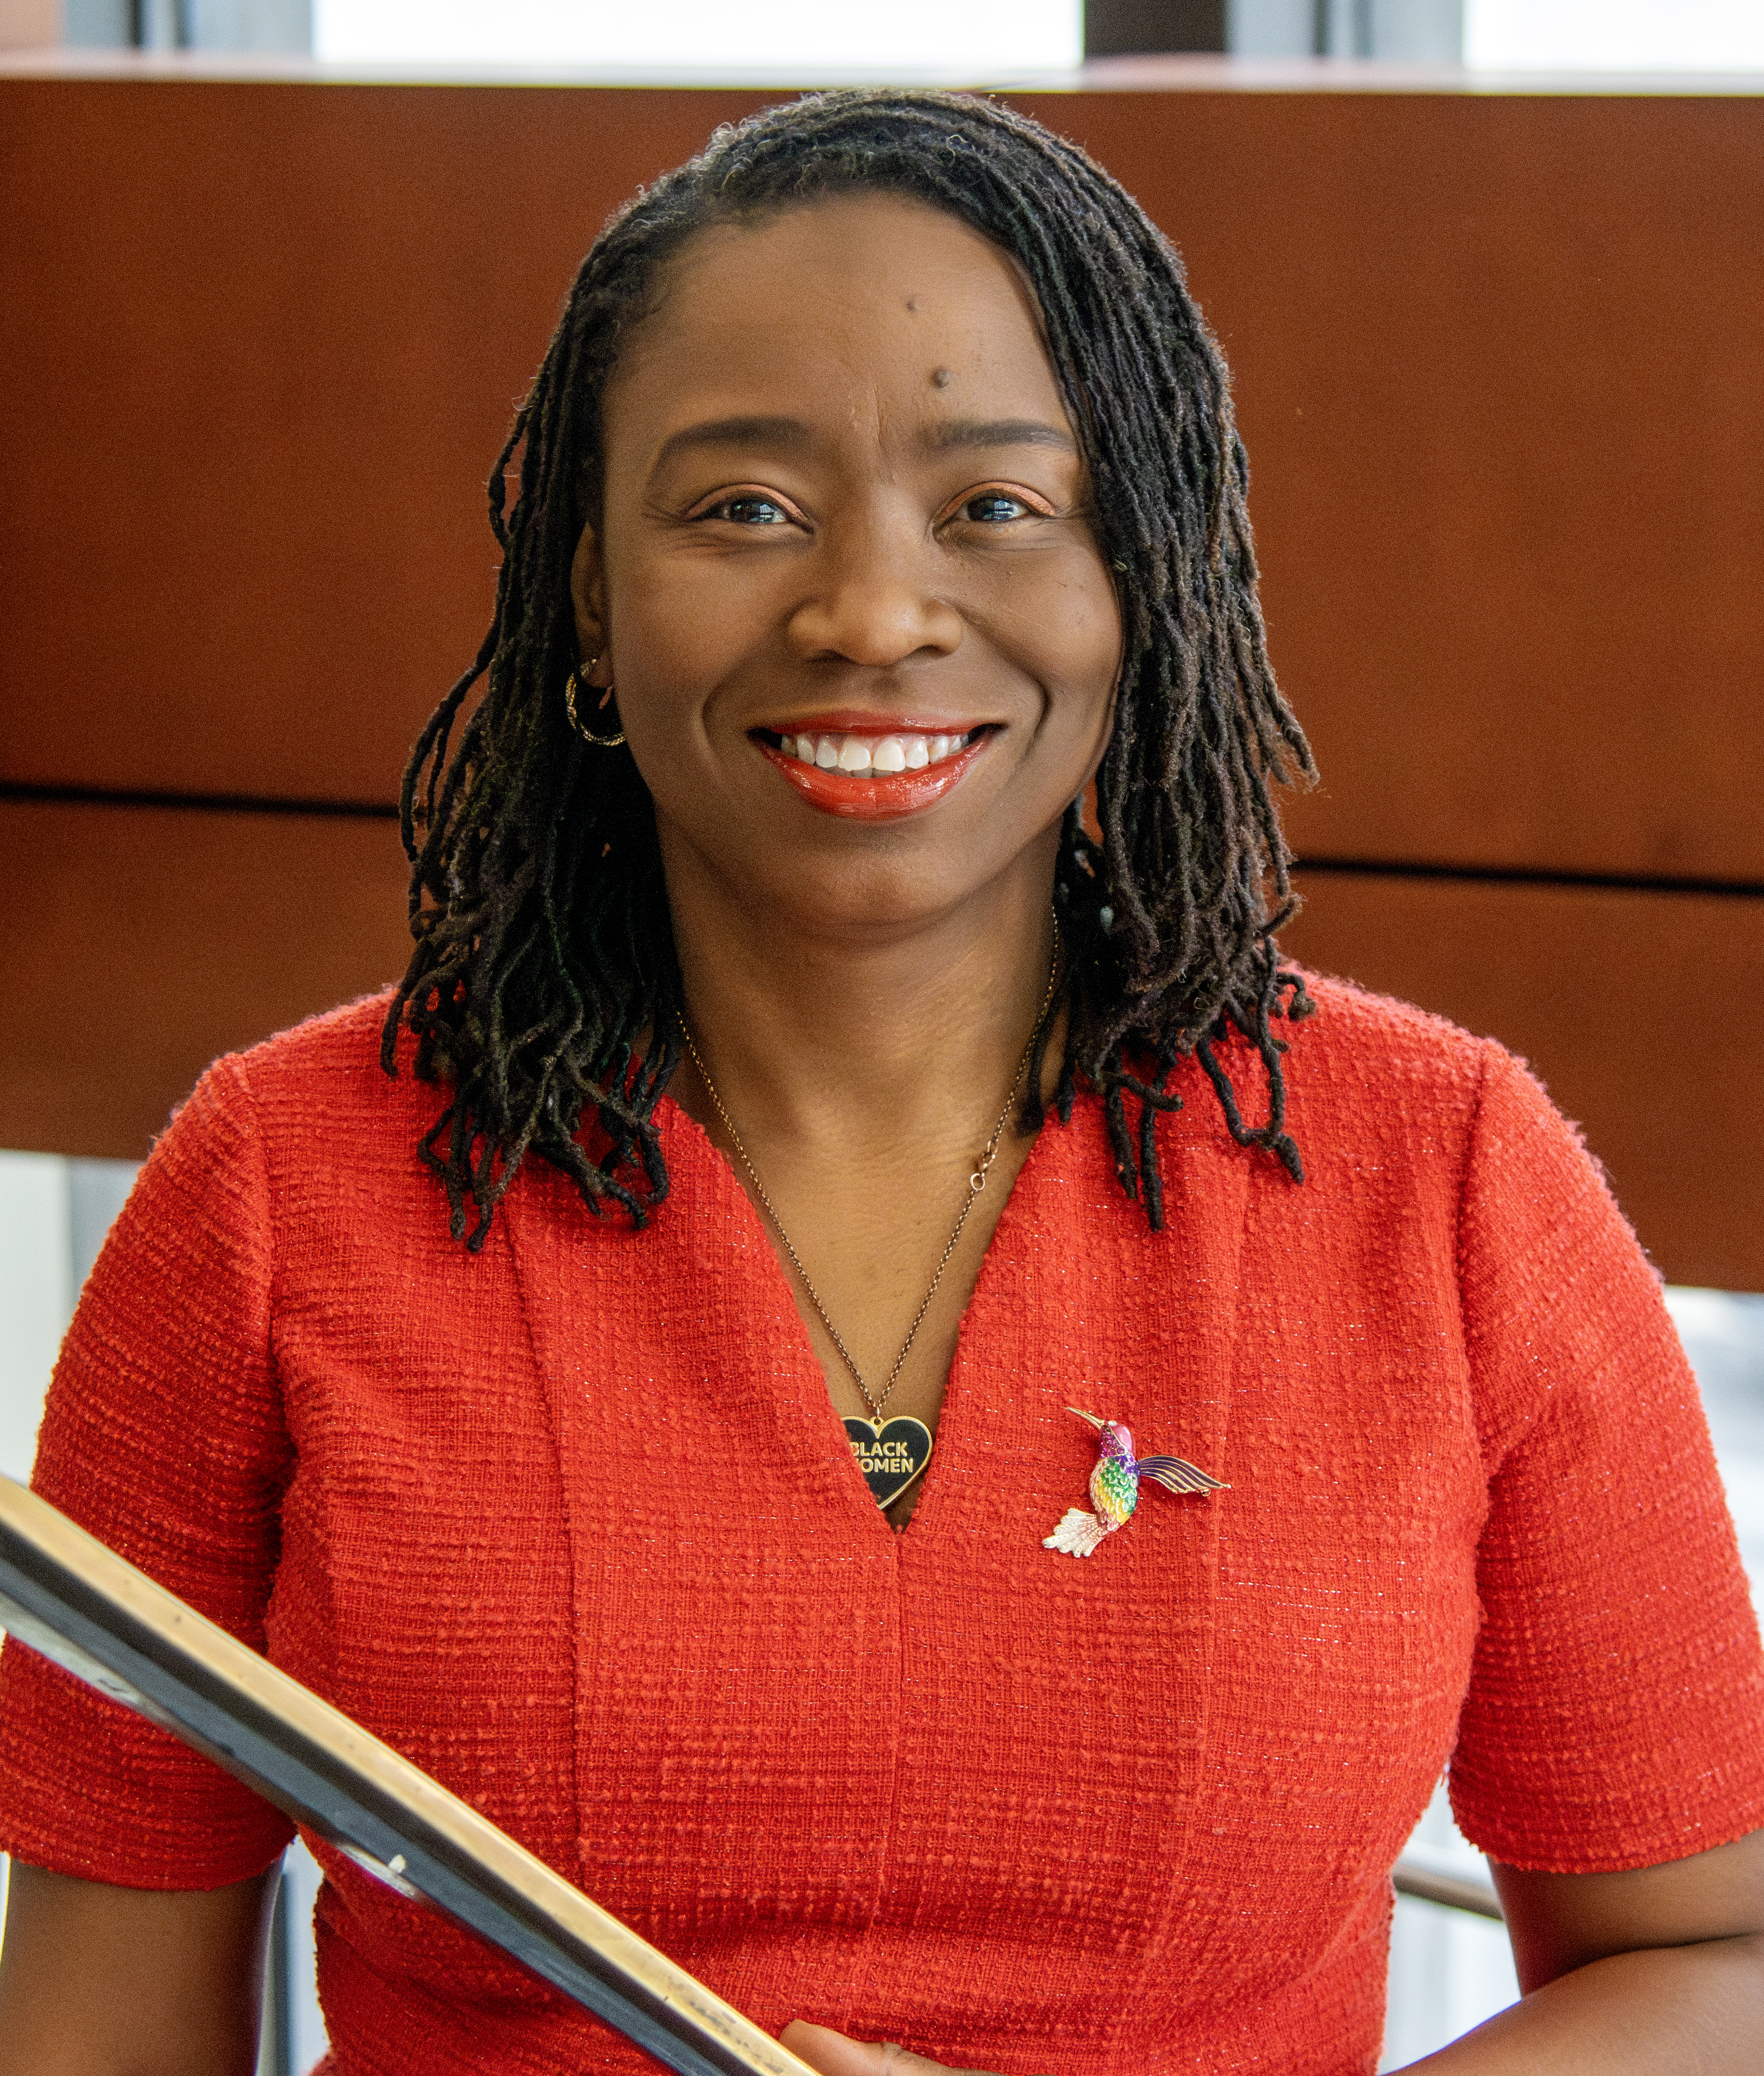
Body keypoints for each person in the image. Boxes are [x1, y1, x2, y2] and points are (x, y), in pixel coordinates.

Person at [0, 88, 1759, 2076]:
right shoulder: (273, 1190)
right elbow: (98, 2038)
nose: (868, 613)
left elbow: (1719, 1968)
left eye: (996, 505)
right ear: (586, 589)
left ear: (1139, 581)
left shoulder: (1440, 1175)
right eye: (742, 507)